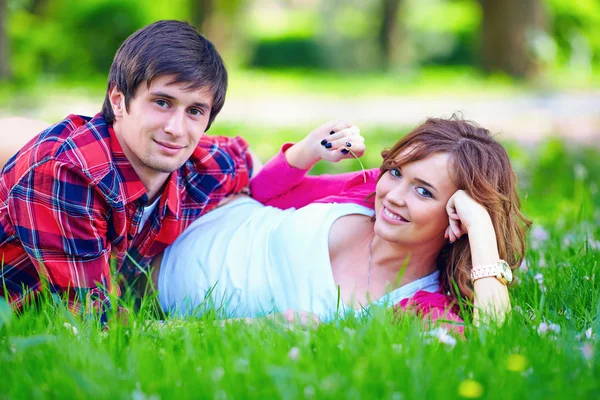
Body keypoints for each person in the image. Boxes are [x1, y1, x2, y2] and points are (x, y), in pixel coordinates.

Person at [153, 116, 531, 330]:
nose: (395, 195)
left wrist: (482, 229)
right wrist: (308, 149)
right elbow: (265, 193)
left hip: (151, 288)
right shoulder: (368, 192)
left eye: (425, 192)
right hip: (178, 212)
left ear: (458, 218)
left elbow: (492, 334)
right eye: (397, 172)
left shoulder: (419, 304)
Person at [0, 20, 258, 322]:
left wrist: (307, 155)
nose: (176, 129)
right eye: (162, 102)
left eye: (194, 111)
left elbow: (252, 166)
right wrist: (247, 325)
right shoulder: (68, 176)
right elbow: (94, 324)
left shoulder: (193, 162)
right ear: (119, 100)